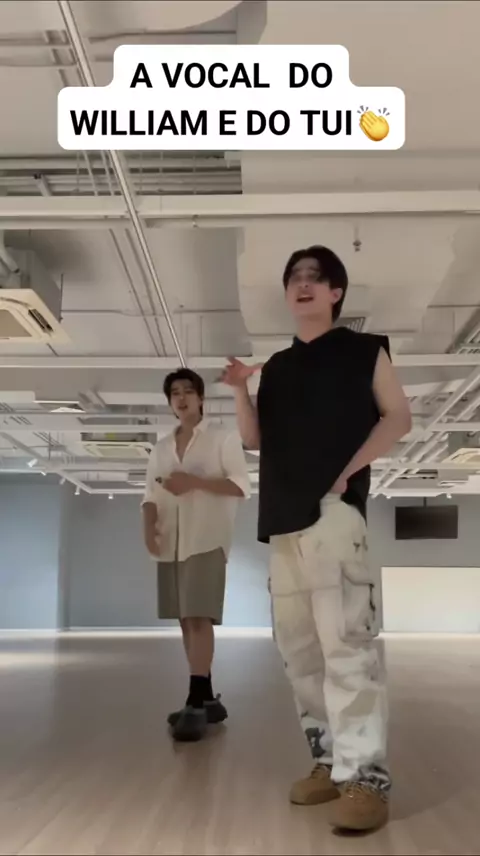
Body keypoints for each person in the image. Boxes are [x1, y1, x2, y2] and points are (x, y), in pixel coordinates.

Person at [221, 245, 411, 832]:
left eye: (316, 277)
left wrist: (348, 471)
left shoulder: (365, 351)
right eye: (295, 278)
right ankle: (329, 762)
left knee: (346, 648)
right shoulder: (277, 367)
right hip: (281, 521)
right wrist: (239, 390)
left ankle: (366, 779)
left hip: (333, 514)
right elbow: (255, 440)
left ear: (336, 293)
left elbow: (398, 417)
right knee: (300, 654)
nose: (303, 284)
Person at [142, 368, 250, 742]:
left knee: (198, 617)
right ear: (169, 401)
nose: (182, 397)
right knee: (185, 621)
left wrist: (194, 483)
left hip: (207, 539)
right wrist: (148, 527)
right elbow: (150, 494)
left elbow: (241, 485)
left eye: (189, 391)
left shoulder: (223, 437)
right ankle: (205, 697)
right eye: (175, 392)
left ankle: (194, 698)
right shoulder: (160, 448)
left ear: (201, 398)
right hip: (171, 542)